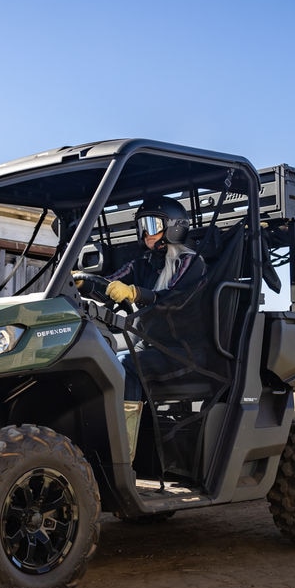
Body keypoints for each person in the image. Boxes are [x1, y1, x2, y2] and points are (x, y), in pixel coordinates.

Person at [103, 196, 207, 462]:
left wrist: (137, 293)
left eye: (152, 225)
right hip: (150, 345)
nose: (146, 234)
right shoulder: (144, 263)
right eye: (142, 226)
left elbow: (175, 299)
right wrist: (82, 284)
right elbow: (111, 282)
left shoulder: (190, 262)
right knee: (103, 361)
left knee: (125, 364)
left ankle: (123, 456)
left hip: (183, 351)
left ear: (174, 227)